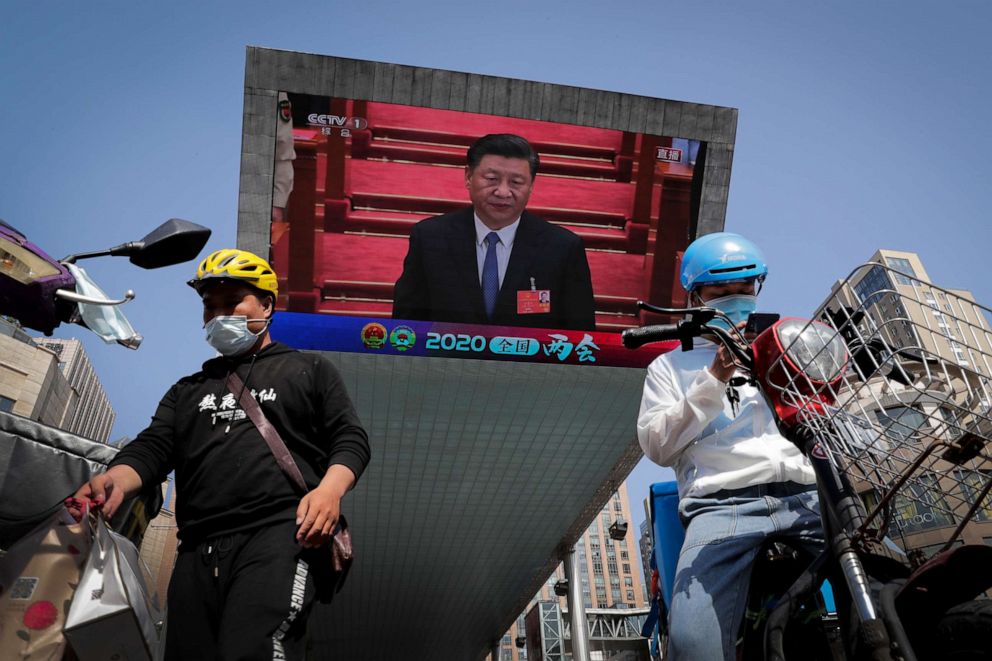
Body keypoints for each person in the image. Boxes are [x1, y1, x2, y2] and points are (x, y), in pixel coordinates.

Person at [70, 248, 370, 660]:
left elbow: (350, 437)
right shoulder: (187, 390)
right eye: (210, 307)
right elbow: (155, 446)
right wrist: (115, 478)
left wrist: (329, 492)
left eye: (232, 302)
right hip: (195, 550)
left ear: (266, 304)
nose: (218, 315)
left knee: (256, 649)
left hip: (280, 537)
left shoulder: (309, 370)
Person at [636, 232, 823, 661]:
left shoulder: (788, 347)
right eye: (721, 293)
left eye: (745, 290)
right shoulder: (669, 366)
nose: (736, 301)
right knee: (691, 639)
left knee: (885, 581)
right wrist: (714, 379)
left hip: (809, 494)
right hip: (723, 506)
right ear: (695, 297)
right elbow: (657, 446)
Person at [392, 133, 596, 330]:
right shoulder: (430, 238)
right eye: (491, 179)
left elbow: (580, 335)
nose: (503, 192)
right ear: (468, 177)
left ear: (532, 186)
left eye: (516, 182)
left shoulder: (562, 248)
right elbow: (406, 325)